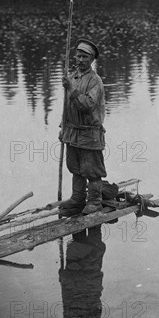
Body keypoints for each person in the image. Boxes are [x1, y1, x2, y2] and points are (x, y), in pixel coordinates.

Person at [59, 39, 106, 215]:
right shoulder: (72, 78)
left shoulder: (96, 82)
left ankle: (94, 201)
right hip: (72, 132)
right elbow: (66, 105)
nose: (79, 59)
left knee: (91, 169)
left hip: (90, 133)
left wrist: (70, 88)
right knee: (75, 167)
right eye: (78, 55)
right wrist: (62, 128)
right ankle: (77, 198)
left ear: (92, 59)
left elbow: (86, 105)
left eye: (84, 57)